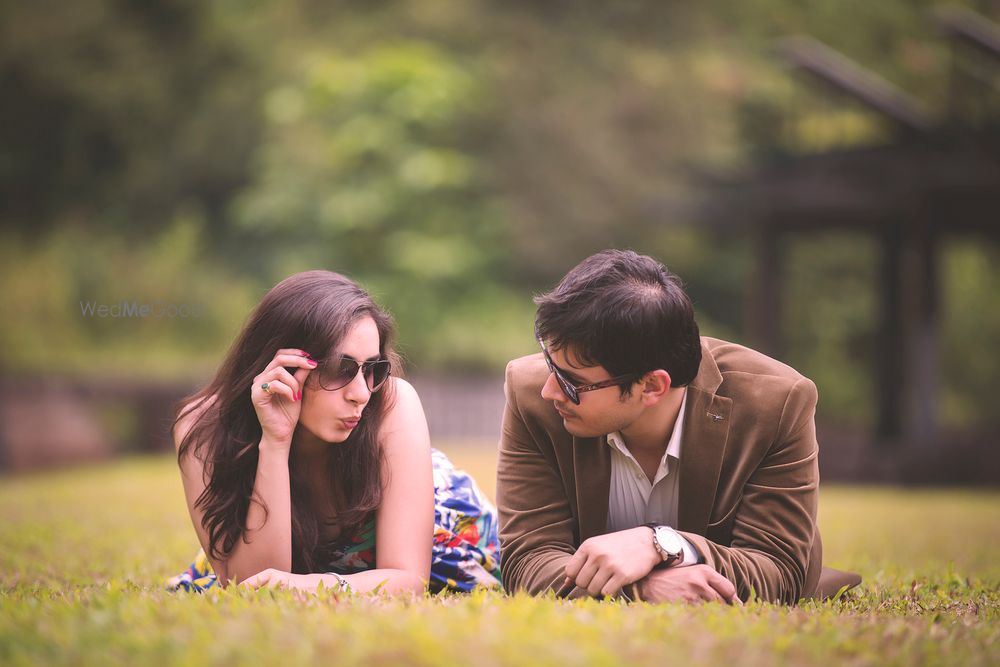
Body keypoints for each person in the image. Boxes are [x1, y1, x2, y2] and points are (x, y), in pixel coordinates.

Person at [496, 249, 861, 604]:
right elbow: (527, 561)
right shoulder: (531, 397)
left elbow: (781, 571)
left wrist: (662, 544)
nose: (549, 390)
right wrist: (642, 591)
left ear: (653, 386)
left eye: (572, 382)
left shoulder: (775, 404)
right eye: (550, 364)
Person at [168, 270, 500, 595]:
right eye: (339, 369)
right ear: (279, 365)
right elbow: (254, 585)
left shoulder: (391, 402)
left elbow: (408, 578)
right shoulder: (202, 428)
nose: (361, 393)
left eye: (372, 369)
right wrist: (275, 442)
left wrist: (308, 584)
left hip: (439, 532)